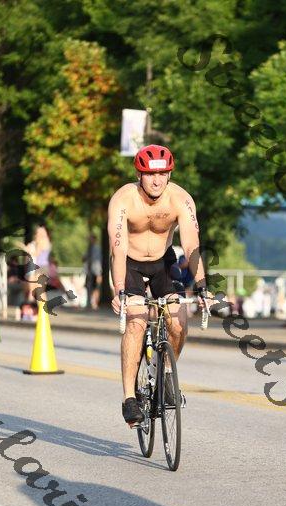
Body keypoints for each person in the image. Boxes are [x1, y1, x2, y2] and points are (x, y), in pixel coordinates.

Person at [108, 144, 213, 427]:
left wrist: (202, 286)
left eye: (162, 174)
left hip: (162, 262)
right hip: (129, 263)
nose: (157, 181)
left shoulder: (181, 199)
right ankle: (129, 398)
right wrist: (120, 290)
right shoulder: (123, 199)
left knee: (178, 320)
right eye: (150, 174)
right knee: (136, 321)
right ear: (139, 175)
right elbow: (118, 248)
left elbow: (190, 245)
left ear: (169, 174)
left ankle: (166, 373)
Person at [84, 234, 102, 310]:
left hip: (96, 271)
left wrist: (99, 274)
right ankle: (89, 302)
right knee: (88, 287)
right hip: (89, 271)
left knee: (96, 288)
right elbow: (84, 258)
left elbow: (98, 260)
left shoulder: (97, 248)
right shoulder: (88, 249)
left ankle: (95, 303)